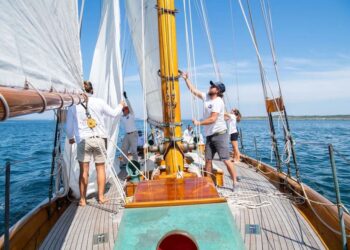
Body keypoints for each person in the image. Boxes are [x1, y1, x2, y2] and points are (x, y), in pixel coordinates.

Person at [66, 81, 125, 206]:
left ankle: (82, 200)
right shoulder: (99, 102)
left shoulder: (73, 106)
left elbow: (69, 127)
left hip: (83, 140)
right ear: (92, 90)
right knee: (100, 168)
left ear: (80, 91)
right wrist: (120, 105)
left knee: (84, 171)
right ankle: (101, 197)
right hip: (99, 139)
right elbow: (114, 114)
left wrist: (71, 138)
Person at [182, 72, 238, 188]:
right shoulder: (206, 97)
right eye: (211, 85)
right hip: (209, 135)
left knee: (226, 160)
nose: (210, 87)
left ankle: (235, 182)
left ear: (217, 91)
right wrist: (186, 79)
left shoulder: (218, 102)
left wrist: (199, 123)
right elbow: (194, 90)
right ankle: (209, 183)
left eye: (213, 86)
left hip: (220, 135)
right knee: (208, 160)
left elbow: (213, 119)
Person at [120, 92, 138, 166]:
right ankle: (124, 162)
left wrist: (126, 98)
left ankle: (136, 163)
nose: (123, 111)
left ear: (127, 110)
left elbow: (130, 106)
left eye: (124, 110)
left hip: (133, 134)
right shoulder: (122, 118)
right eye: (122, 110)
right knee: (124, 149)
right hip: (127, 135)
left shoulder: (131, 115)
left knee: (133, 151)